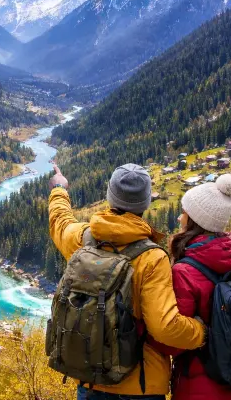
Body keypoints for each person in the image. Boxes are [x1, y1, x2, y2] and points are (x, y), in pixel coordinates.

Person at [48, 163, 206, 400]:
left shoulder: (84, 238)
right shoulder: (152, 257)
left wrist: (59, 189)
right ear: (145, 203)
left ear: (110, 196)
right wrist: (201, 332)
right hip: (141, 387)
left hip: (91, 380)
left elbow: (59, 222)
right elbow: (164, 328)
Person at [167, 174, 231, 400]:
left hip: (200, 384)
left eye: (184, 212)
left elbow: (174, 342)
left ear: (194, 220)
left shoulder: (184, 271)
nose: (180, 217)